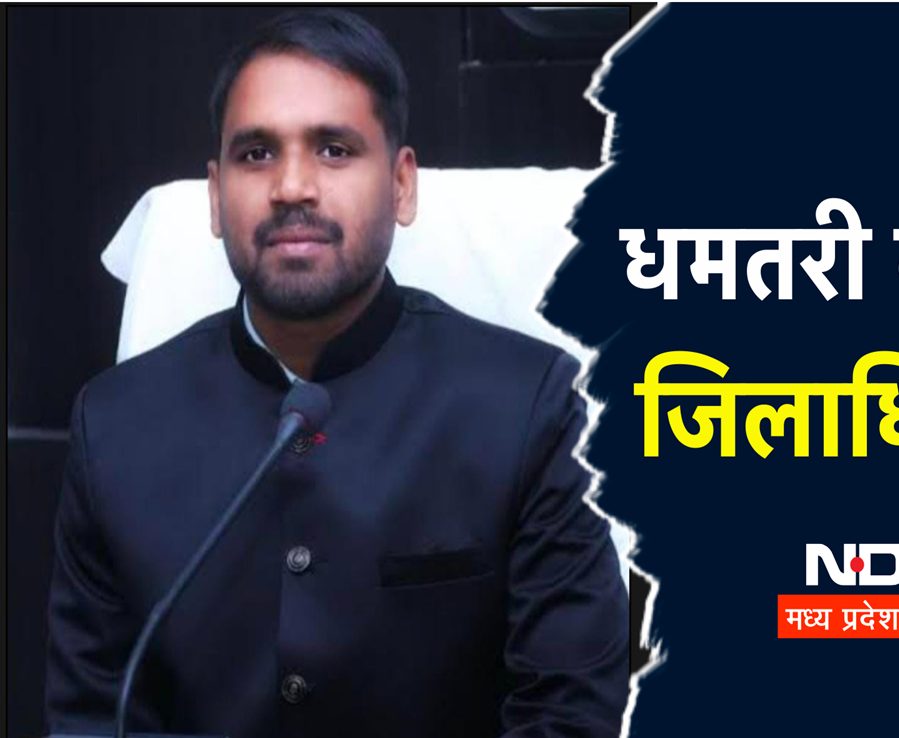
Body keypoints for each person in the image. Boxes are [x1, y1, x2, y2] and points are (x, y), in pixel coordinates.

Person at [44, 9, 629, 738]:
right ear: (215, 197)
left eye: (333, 149)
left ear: (402, 185)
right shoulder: (114, 427)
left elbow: (568, 714)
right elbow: (93, 716)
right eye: (257, 153)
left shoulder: (527, 408)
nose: (292, 186)